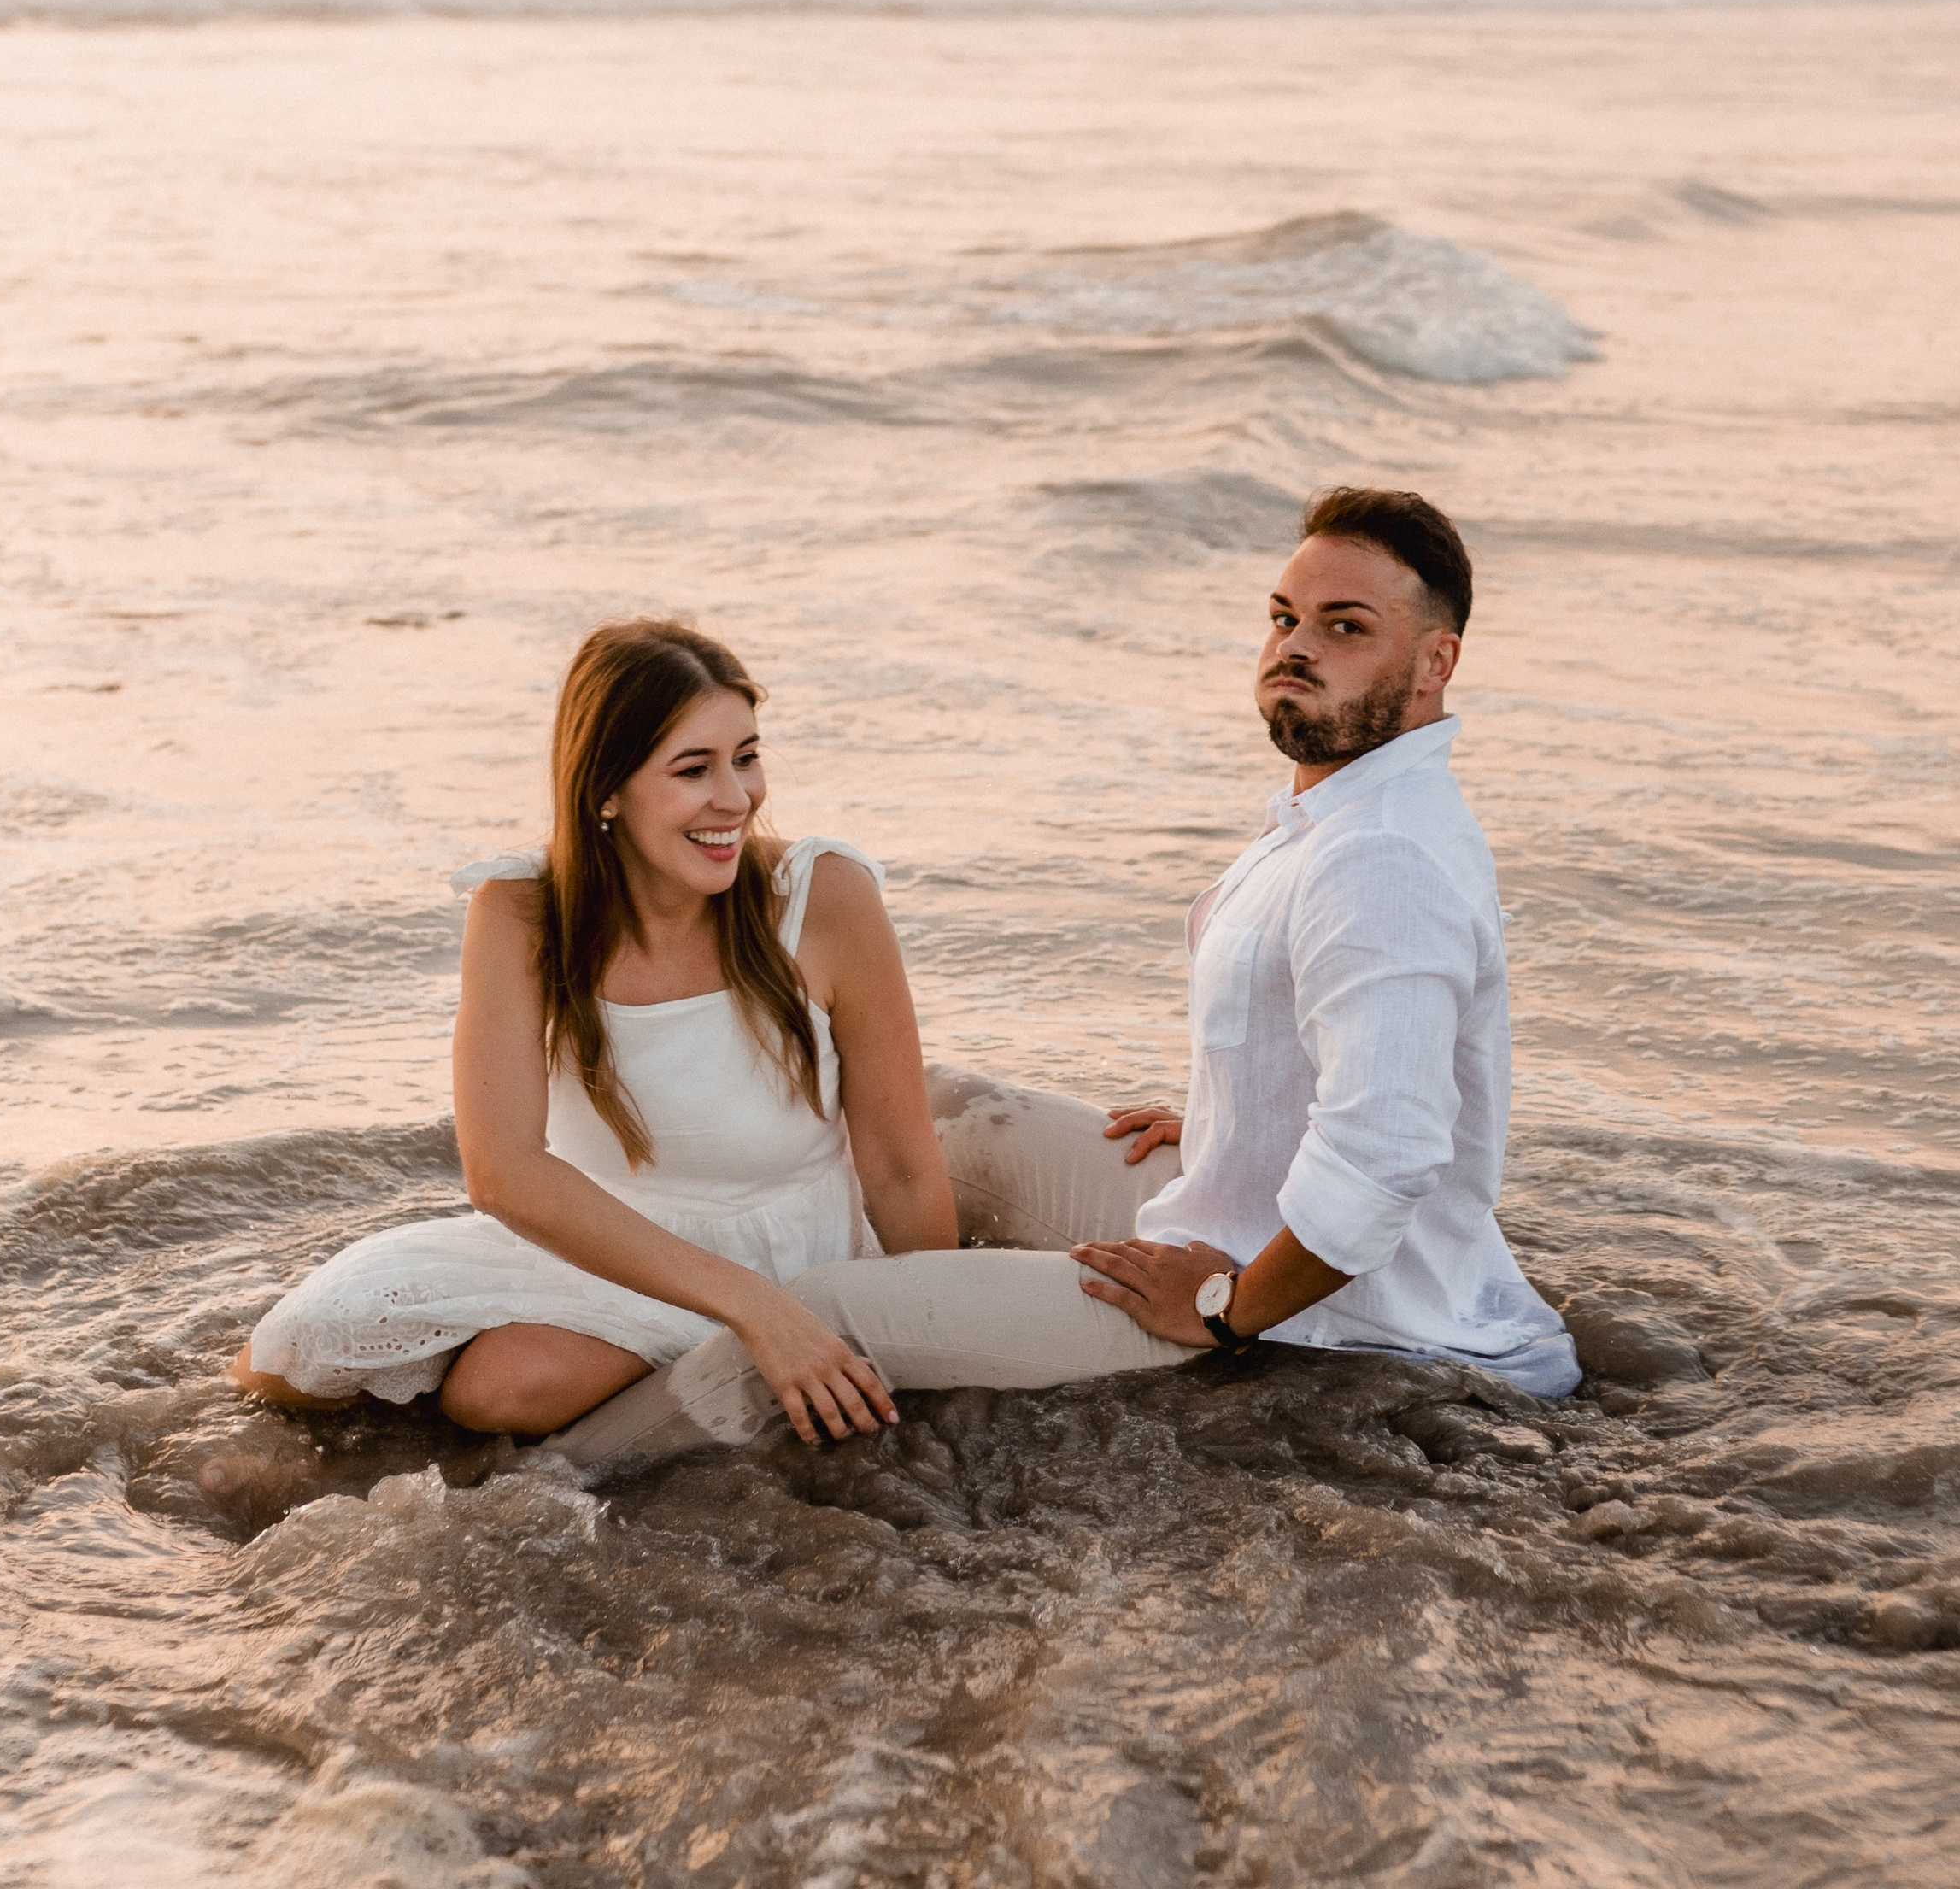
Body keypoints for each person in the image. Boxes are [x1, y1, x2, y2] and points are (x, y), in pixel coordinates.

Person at [549, 486, 1575, 1470]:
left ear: (1434, 662)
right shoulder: (1338, 812)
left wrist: (1222, 1311)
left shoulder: (1381, 852)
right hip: (1249, 1215)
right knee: (939, 1114)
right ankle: (698, 1305)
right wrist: (1248, 1112)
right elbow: (1371, 1065)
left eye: (1344, 627)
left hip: (1321, 1317)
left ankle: (553, 1479)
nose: (1295, 647)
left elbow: (1384, 1156)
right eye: (1283, 617)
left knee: (829, 1311)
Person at [232, 619, 959, 1447]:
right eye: (694, 769)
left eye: (746, 756)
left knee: (501, 1389)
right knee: (292, 1352)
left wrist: (939, 1340)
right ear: (606, 789)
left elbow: (899, 1166)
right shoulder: (520, 909)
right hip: (598, 1239)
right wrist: (745, 1306)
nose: (736, 798)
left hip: (783, 1248)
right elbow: (502, 1170)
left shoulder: (822, 894)